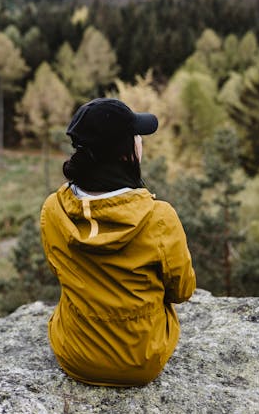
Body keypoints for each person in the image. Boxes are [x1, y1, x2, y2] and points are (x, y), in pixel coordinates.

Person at [40, 97, 196, 387]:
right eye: (136, 136)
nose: (141, 140)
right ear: (125, 154)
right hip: (142, 361)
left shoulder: (54, 209)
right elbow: (182, 290)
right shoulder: (159, 218)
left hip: (74, 355)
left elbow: (59, 270)